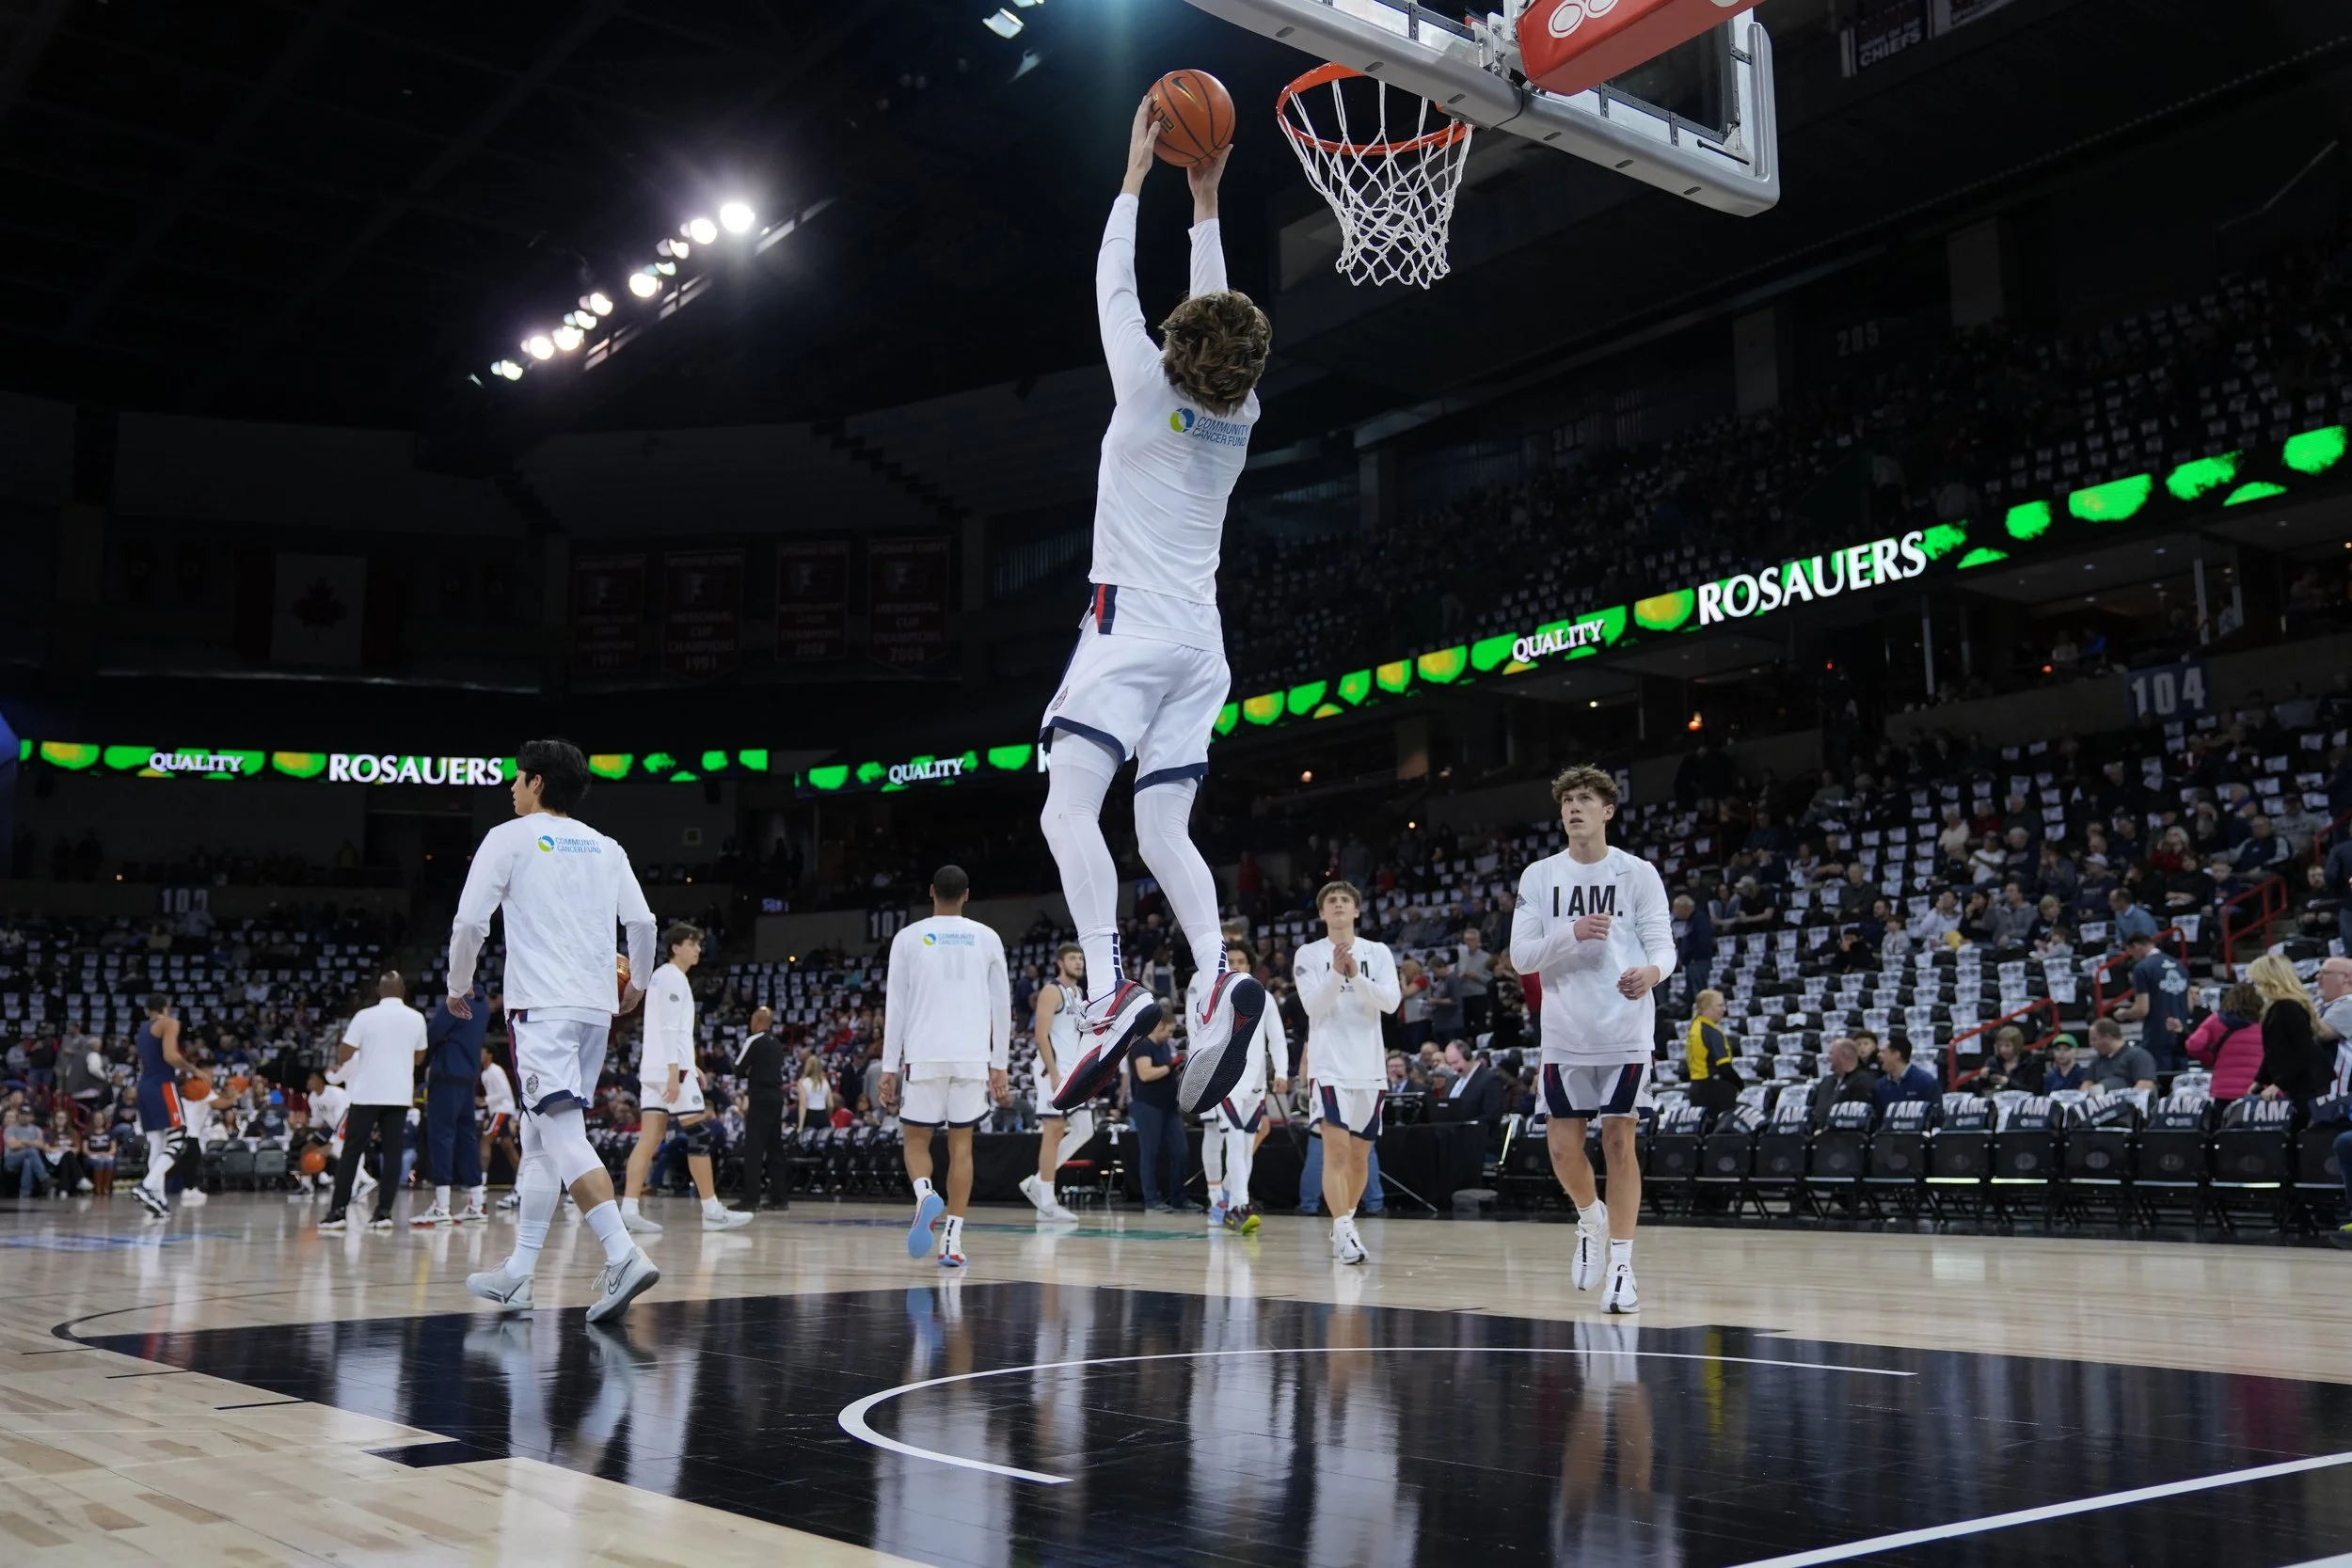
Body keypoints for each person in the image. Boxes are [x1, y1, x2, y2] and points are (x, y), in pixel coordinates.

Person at [1037, 102, 1269, 1122]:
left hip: (1128, 628)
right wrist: (1205, 204)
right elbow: (1212, 319)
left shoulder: (1141, 386)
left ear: (1175, 344)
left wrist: (1137, 179)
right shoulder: (1240, 413)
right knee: (1161, 821)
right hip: (1202, 644)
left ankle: (1107, 988)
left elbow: (1113, 282)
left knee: (1065, 808)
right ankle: (1216, 971)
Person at [452, 737, 662, 1324]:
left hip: (542, 1008)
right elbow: (642, 923)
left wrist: (457, 983)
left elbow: (471, 920)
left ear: (538, 782)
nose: (510, 788)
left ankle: (622, 1254)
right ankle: (518, 1273)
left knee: (562, 1131)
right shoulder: (607, 845)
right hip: (596, 1008)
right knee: (540, 1133)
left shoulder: (508, 837)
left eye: (517, 778)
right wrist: (637, 985)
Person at [1509, 765, 1676, 1315]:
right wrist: (1571, 932)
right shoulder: (1539, 876)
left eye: (1585, 799)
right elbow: (1521, 957)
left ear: (1608, 810)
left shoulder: (1638, 872)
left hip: (1625, 1028)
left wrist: (1652, 974)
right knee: (1561, 1148)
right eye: (1567, 801)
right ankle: (1590, 1217)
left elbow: (1663, 946)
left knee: (1619, 1143)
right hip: (1564, 1032)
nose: (1573, 808)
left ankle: (1624, 1267)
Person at [879, 866, 1011, 1269]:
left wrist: (889, 1065)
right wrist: (1000, 1064)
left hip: (924, 1052)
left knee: (916, 1141)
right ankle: (951, 1241)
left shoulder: (907, 937)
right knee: (961, 1146)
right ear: (967, 895)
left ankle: (923, 1193)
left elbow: (895, 1006)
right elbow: (1002, 1006)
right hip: (972, 1056)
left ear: (931, 892)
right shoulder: (988, 937)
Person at [620, 924, 753, 1234]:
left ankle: (628, 1209)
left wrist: (690, 1067)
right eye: (692, 943)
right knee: (700, 1135)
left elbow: (668, 1029)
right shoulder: (673, 977)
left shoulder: (660, 978)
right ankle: (711, 1210)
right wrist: (675, 1071)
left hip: (656, 1068)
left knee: (649, 1138)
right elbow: (669, 1028)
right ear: (676, 947)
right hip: (669, 1070)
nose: (698, 949)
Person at [1295, 879, 1402, 1264]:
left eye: (1345, 900)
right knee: (1335, 1154)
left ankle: (1346, 1224)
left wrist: (1356, 975)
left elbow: (1391, 1003)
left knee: (1360, 1158)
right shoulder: (1308, 954)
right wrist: (1337, 973)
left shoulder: (1379, 951)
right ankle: (1343, 1228)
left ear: (1356, 911)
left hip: (1369, 1067)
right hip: (1330, 1067)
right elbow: (1313, 1006)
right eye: (1331, 902)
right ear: (1322, 913)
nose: (1338, 905)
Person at [321, 972, 425, 1233]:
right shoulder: (416, 1018)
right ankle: (383, 1214)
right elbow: (419, 1059)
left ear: (379, 991)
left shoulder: (364, 1017)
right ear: (403, 990)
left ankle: (338, 1213)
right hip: (399, 1095)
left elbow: (344, 1054)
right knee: (392, 1154)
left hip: (367, 1094)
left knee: (351, 1152)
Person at [1201, 942, 1288, 1231]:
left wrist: (1283, 1072)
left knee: (1247, 1143)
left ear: (1251, 966)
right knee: (1235, 1140)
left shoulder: (1264, 997)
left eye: (1242, 960)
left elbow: (1276, 1037)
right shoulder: (1215, 998)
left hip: (1256, 1082)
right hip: (1225, 1080)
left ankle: (1225, 1205)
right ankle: (1239, 1204)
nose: (1236, 965)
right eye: (1231, 960)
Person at [1020, 942, 1089, 1222]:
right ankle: (1047, 1202)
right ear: (1060, 962)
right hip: (1053, 1070)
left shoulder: (1079, 993)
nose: (1078, 962)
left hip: (1073, 1069)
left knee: (1085, 1128)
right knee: (1054, 1131)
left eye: (1081, 958)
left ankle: (1038, 1181)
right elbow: (1040, 1035)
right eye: (1073, 957)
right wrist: (1054, 1072)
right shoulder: (1051, 991)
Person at [415, 982, 492, 1227]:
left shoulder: (456, 998)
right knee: (467, 1138)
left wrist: (443, 1040)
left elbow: (432, 1033)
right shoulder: (483, 1005)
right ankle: (476, 1203)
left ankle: (441, 1205)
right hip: (469, 1079)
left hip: (446, 1077)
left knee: (441, 1137)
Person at [127, 995, 192, 1218]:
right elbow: (171, 1056)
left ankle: (158, 1198)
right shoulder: (169, 1023)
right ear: (167, 1007)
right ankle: (145, 1186)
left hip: (144, 1086)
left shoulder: (143, 1030)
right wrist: (196, 1071)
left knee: (157, 1143)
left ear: (148, 1010)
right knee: (178, 1139)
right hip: (163, 1085)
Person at [1126, 1010, 1188, 1212]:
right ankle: (1151, 1199)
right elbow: (1145, 1073)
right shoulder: (1142, 1045)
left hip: (1169, 1106)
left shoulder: (1163, 1046)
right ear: (1159, 1026)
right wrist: (1171, 1066)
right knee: (1149, 1153)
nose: (1170, 1035)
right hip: (1147, 1106)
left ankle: (1179, 1198)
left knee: (1181, 1151)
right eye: (1169, 1031)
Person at [2249, 953, 2331, 1103]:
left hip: (2309, 1086)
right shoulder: (2277, 1007)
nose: (2255, 986)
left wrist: (2279, 1084)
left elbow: (2304, 1051)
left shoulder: (2288, 1007)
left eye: (2257, 981)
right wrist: (2260, 1080)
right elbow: (2273, 1052)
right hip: (2298, 1085)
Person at [733, 1006, 789, 1211]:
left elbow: (738, 1068)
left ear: (756, 1022)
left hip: (760, 1098)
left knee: (754, 1147)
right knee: (775, 1149)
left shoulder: (754, 1040)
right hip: (777, 1097)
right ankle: (779, 1198)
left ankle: (751, 1199)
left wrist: (750, 1072)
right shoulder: (777, 1044)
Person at [2185, 982, 2266, 1101]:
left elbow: (2193, 1045)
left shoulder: (2216, 1020)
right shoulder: (2264, 1023)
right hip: (2256, 1089)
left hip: (2223, 1090)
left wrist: (2211, 1059)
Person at [1681, 989, 1739, 1117]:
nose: (1724, 1009)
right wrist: (1740, 1084)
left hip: (1696, 1088)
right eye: (1720, 1005)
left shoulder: (1694, 1027)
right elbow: (1724, 1067)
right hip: (1714, 1091)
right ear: (1706, 1007)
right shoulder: (1710, 1031)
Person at [478, 1045, 519, 1205]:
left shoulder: (495, 1071)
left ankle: (481, 1181)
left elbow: (504, 1092)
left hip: (503, 1109)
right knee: (507, 1145)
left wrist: (484, 1101)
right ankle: (521, 1183)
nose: (479, 1054)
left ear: (489, 1055)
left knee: (486, 1140)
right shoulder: (485, 1073)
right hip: (498, 1110)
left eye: (482, 1051)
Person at [1433, 1038, 1505, 1125]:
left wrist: (1464, 1125)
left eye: (1455, 1062)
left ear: (1467, 1056)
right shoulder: (1451, 1080)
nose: (1453, 1068)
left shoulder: (1490, 1079)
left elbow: (1493, 1116)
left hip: (1478, 1134)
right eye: (1450, 1064)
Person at [2083, 1017, 2157, 1095]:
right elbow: (2086, 1084)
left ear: (2107, 1037)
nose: (2091, 1044)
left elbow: (2145, 1084)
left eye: (2094, 1039)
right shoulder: (2096, 1061)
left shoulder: (2138, 1055)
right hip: (2100, 1104)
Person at [1961, 1025, 2043, 1095]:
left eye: (2007, 1046)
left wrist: (2008, 1082)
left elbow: (2034, 1091)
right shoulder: (1992, 1062)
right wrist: (1982, 1078)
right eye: (2000, 1046)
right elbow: (1979, 1091)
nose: (2003, 1050)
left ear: (2017, 1045)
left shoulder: (2031, 1063)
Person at [1871, 1037, 1940, 1108]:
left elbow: (1936, 1115)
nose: (1878, 1055)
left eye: (1883, 1051)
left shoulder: (1926, 1082)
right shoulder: (1880, 1085)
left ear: (1897, 1055)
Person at [1455, 928, 1494, 1037]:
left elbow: (1491, 980)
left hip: (1480, 996)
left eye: (1472, 939)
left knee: (1481, 1025)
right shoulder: (1462, 958)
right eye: (1467, 940)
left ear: (1478, 940)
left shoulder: (1487, 958)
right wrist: (1461, 977)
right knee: (1466, 1028)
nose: (1469, 942)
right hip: (1465, 996)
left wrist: (1475, 976)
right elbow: (1457, 976)